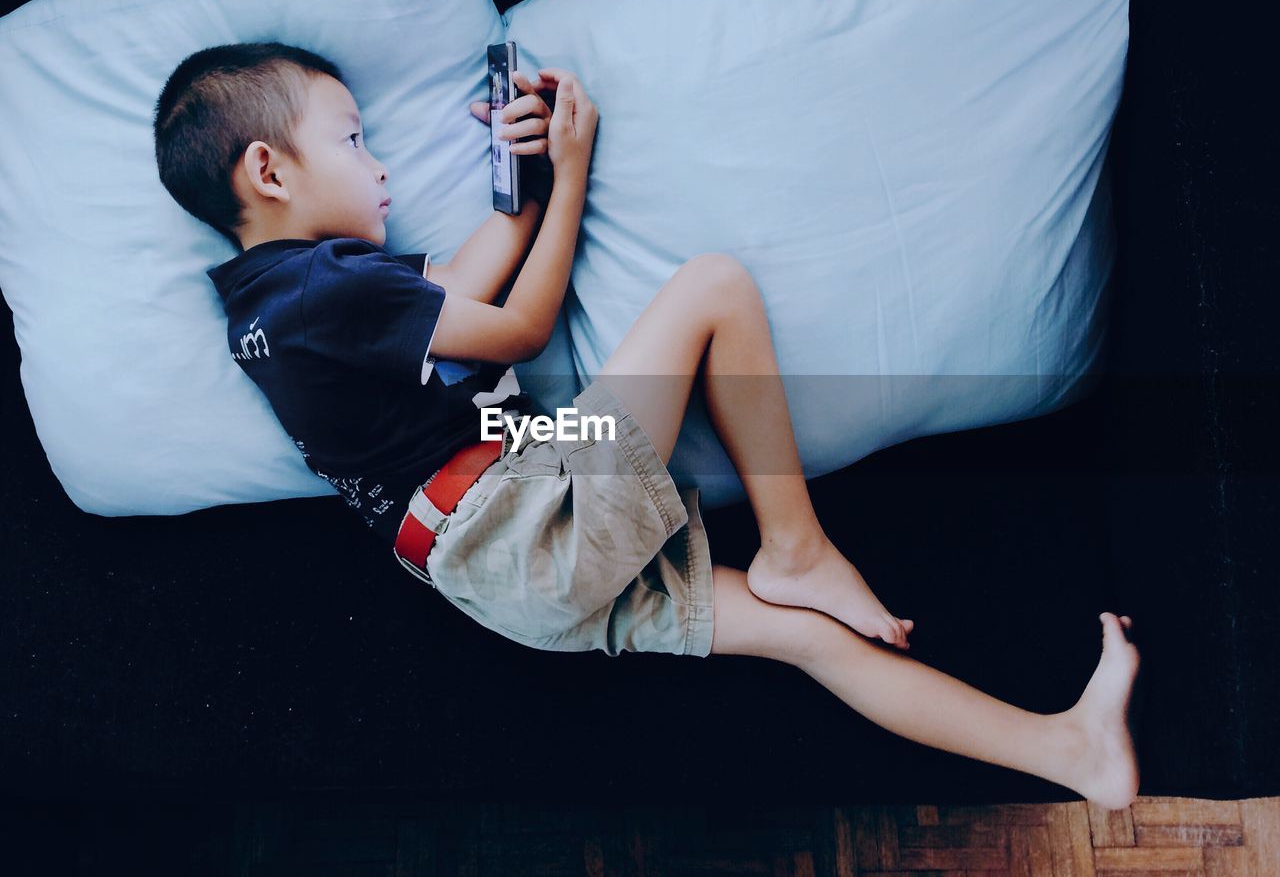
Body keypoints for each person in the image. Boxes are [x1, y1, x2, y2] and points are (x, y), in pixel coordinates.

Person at [153, 42, 1142, 810]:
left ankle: (1070, 751)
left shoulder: (269, 302)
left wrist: (521, 170)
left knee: (810, 641)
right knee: (711, 283)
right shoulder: (318, 292)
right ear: (267, 169)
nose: (377, 168)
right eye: (354, 139)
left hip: (502, 570)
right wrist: (574, 170)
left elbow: (465, 279)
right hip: (519, 516)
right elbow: (519, 323)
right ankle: (794, 542)